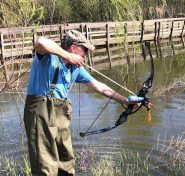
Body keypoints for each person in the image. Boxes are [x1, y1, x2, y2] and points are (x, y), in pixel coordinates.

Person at [23, 30, 140, 175]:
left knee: (66, 161)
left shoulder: (75, 69)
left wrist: (125, 100)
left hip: (60, 115)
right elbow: (40, 42)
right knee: (45, 165)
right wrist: (67, 56)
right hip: (40, 113)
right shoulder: (48, 58)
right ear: (74, 47)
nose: (85, 54)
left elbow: (100, 87)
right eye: (84, 50)